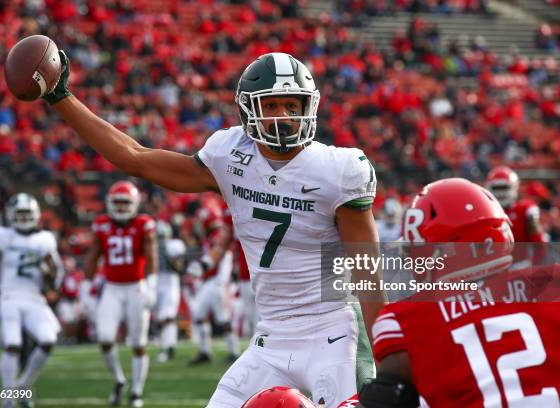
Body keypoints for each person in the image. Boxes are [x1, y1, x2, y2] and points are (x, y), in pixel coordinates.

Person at [39, 50, 382, 407]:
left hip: (334, 331)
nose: (284, 117)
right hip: (271, 337)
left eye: (293, 105)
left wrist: (386, 356)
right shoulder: (230, 155)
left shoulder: (338, 169)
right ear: (249, 109)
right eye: (272, 105)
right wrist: (61, 98)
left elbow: (368, 272)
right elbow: (134, 157)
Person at [357, 178, 560, 407]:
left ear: (442, 251)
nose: (412, 262)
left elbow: (383, 399)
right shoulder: (559, 284)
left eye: (415, 251)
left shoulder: (404, 319)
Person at [0, 193, 63, 408]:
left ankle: (23, 387)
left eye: (26, 214)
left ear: (36, 215)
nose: (22, 218)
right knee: (13, 344)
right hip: (9, 295)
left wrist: (48, 271)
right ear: (10, 215)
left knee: (48, 340)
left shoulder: (45, 240)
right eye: (19, 214)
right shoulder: (2, 236)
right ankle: (7, 400)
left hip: (34, 298)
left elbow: (53, 283)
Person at [81, 181, 157, 408]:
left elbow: (151, 255)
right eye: (118, 203)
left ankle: (136, 392)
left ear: (134, 204)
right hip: (112, 288)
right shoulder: (102, 224)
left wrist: (151, 285)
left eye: (126, 203)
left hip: (135, 287)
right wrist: (86, 287)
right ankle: (119, 380)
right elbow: (93, 256)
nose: (122, 208)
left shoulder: (144, 224)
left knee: (138, 343)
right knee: (104, 338)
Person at [185, 200, 239, 364]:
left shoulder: (218, 236)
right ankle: (207, 350)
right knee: (201, 314)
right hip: (211, 281)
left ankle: (232, 350)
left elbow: (224, 258)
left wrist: (221, 281)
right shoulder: (210, 237)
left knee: (220, 318)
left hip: (217, 281)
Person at [153, 220, 186, 363]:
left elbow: (179, 268)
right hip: (156, 281)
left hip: (170, 281)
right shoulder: (151, 245)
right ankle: (170, 344)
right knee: (162, 317)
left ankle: (166, 348)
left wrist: (166, 253)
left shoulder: (174, 245)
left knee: (167, 316)